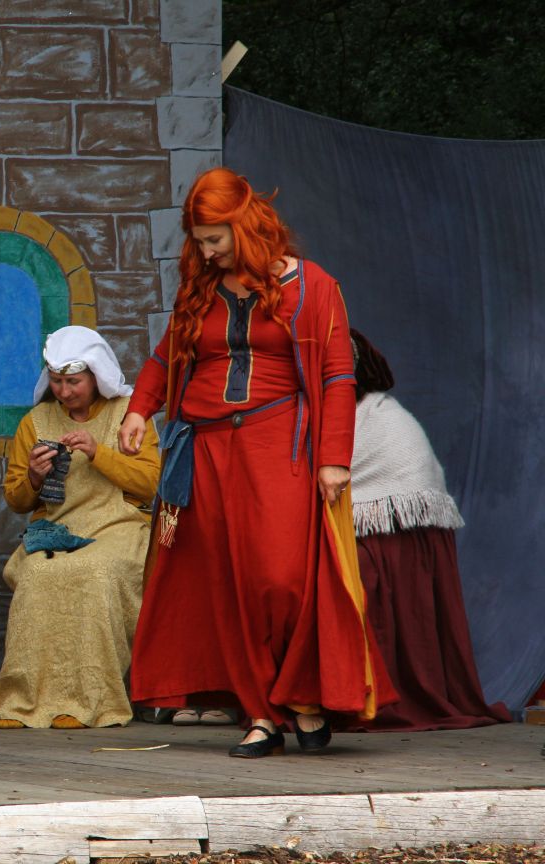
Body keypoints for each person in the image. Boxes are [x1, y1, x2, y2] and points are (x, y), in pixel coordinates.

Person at [119, 167, 395, 758]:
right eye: (198, 240)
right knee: (229, 586)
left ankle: (303, 699)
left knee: (280, 580)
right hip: (206, 450)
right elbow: (167, 356)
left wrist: (333, 459)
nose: (205, 252)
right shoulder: (199, 289)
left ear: (245, 227)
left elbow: (337, 375)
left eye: (214, 239)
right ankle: (262, 715)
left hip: (280, 446)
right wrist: (139, 410)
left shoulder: (313, 285)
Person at [0, 326, 161, 729]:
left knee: (97, 572)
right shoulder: (35, 421)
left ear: (96, 375)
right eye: (57, 381)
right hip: (57, 531)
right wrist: (33, 476)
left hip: (120, 527)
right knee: (36, 576)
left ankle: (92, 699)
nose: (64, 391)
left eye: (73, 382)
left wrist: (99, 453)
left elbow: (150, 483)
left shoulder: (129, 414)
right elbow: (16, 500)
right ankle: (26, 700)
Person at [347, 330, 509, 731]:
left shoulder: (383, 419)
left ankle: (365, 695)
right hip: (352, 536)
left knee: (353, 576)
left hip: (394, 543)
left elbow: (395, 506)